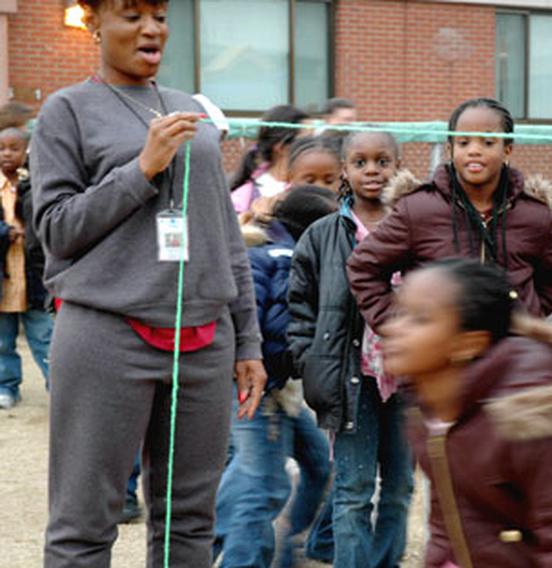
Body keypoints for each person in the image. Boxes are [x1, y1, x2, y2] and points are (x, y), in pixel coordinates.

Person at [30, 1, 267, 566]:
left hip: (205, 341)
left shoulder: (191, 110)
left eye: (159, 15)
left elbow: (223, 236)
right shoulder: (68, 110)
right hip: (106, 336)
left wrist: (249, 341)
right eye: (132, 15)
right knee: (84, 522)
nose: (151, 28)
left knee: (188, 523)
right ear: (95, 26)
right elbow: (57, 229)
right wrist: (141, 169)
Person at [382, 258, 552, 567]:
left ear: (468, 343)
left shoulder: (537, 418)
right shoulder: (434, 412)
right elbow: (452, 534)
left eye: (419, 318)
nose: (393, 329)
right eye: (399, 312)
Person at [287, 131, 414, 568]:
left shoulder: (418, 226)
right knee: (353, 491)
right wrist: (310, 361)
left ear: (398, 164)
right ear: (345, 170)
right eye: (360, 162)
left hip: (409, 381)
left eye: (382, 160)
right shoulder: (322, 235)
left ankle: (386, 561)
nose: (372, 170)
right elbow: (299, 306)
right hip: (349, 382)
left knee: (399, 488)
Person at [347, 97, 552, 330]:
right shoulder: (417, 210)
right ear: (450, 149)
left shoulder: (533, 215)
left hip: (514, 357)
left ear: (507, 149)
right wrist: (401, 325)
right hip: (440, 358)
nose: (474, 151)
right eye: (464, 143)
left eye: (487, 142)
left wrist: (530, 315)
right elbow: (364, 267)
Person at [214, 185, 337, 568]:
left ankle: (285, 546)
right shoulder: (288, 257)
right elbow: (280, 331)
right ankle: (243, 559)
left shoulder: (264, 247)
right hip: (261, 386)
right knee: (265, 484)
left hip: (274, 386)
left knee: (318, 463)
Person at [0, 127, 53, 410]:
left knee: (45, 337)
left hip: (32, 277)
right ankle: (7, 387)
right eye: (2, 148)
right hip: (4, 278)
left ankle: (57, 386)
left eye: (14, 148)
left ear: (27, 152)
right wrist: (4, 233)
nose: (7, 154)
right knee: (2, 341)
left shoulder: (35, 185)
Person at [230, 105, 308, 214]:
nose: (314, 145)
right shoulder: (243, 199)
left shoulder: (316, 185)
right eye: (306, 140)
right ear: (282, 147)